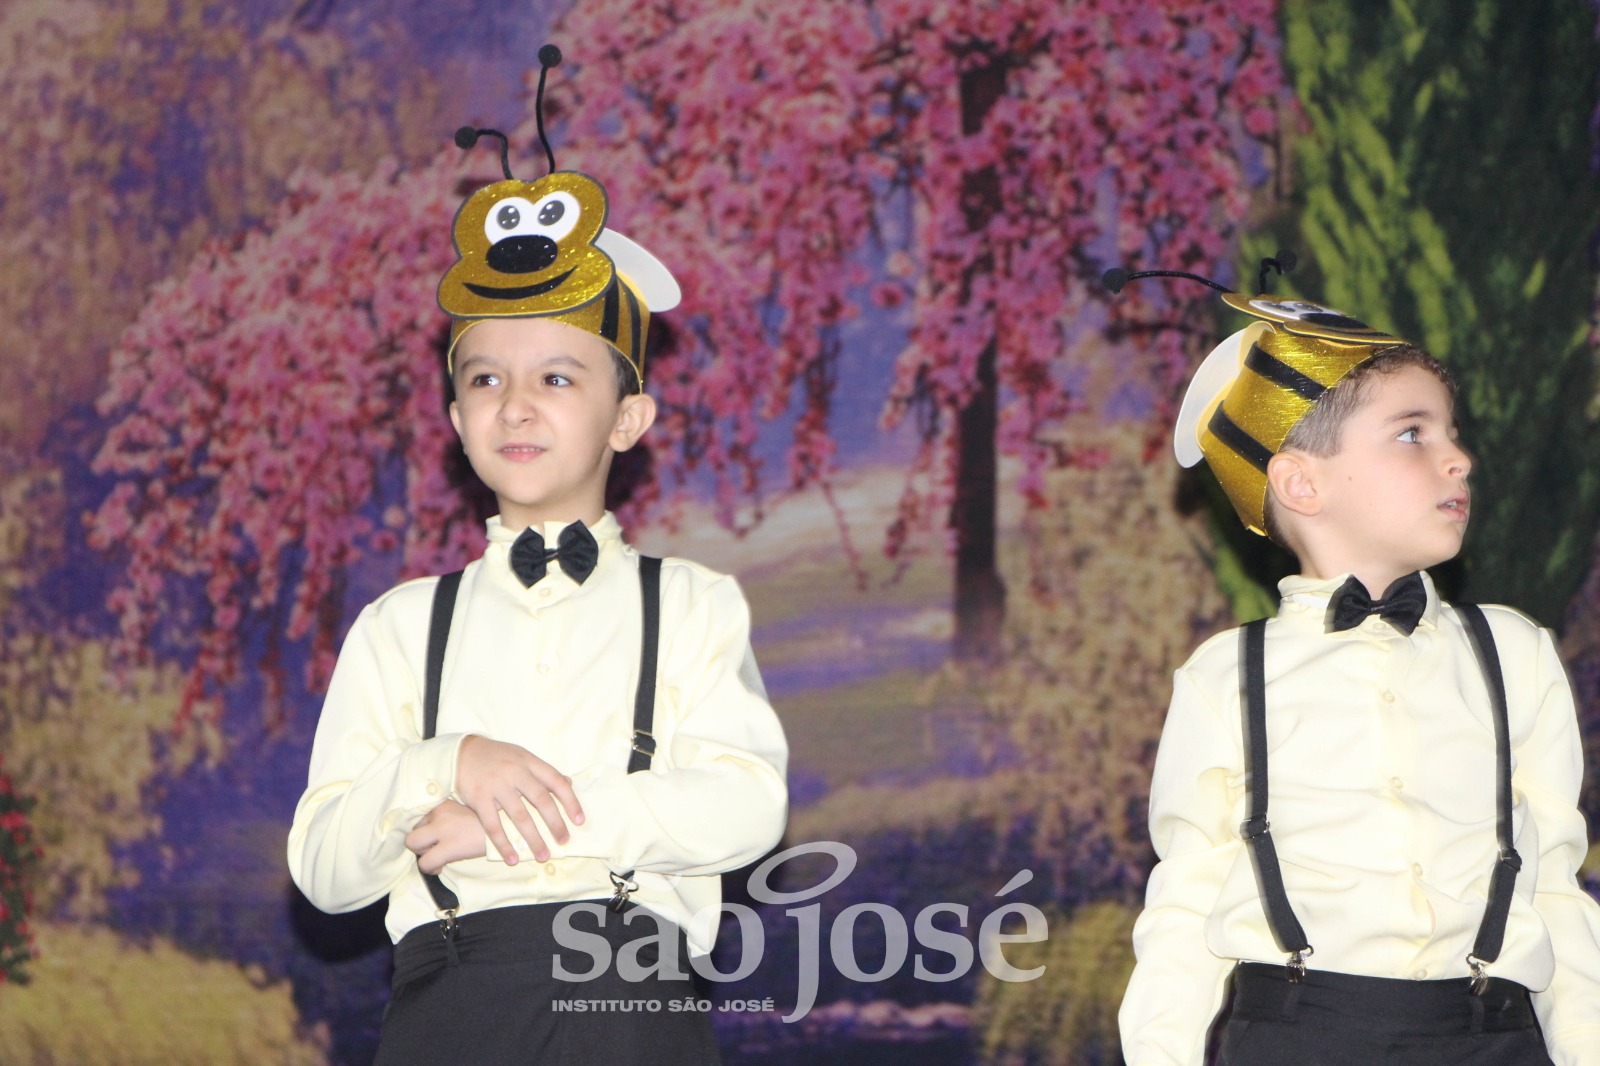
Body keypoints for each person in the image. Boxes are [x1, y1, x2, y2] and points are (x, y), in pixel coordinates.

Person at [287, 48, 788, 1065]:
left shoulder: (693, 605)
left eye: (557, 377)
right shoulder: (399, 626)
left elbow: (746, 806)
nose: (515, 406)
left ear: (628, 418)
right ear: (454, 418)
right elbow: (324, 871)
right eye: (485, 380)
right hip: (449, 1003)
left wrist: (519, 825)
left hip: (631, 1000)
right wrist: (445, 762)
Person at [1112, 282, 1600, 1065]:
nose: (1458, 458)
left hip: (1493, 1039)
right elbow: (1187, 903)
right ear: (1301, 483)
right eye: (1412, 434)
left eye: (1450, 432)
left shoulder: (1515, 654)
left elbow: (1554, 888)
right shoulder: (1227, 677)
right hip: (1302, 1037)